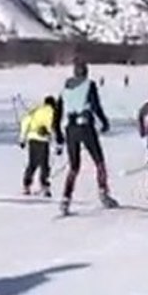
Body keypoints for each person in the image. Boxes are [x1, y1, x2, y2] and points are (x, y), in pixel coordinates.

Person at [53, 58, 118, 215]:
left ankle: (65, 200)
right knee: (99, 161)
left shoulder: (65, 88)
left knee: (74, 167)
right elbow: (95, 106)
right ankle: (103, 193)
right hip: (85, 126)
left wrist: (58, 134)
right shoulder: (90, 85)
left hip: (70, 128)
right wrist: (104, 122)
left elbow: (57, 113)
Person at [19, 96, 58, 197]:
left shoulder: (36, 109)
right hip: (43, 140)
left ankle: (26, 185)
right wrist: (57, 143)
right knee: (44, 164)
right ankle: (44, 186)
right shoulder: (52, 112)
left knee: (32, 163)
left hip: (32, 138)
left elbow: (25, 121)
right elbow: (53, 127)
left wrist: (22, 138)